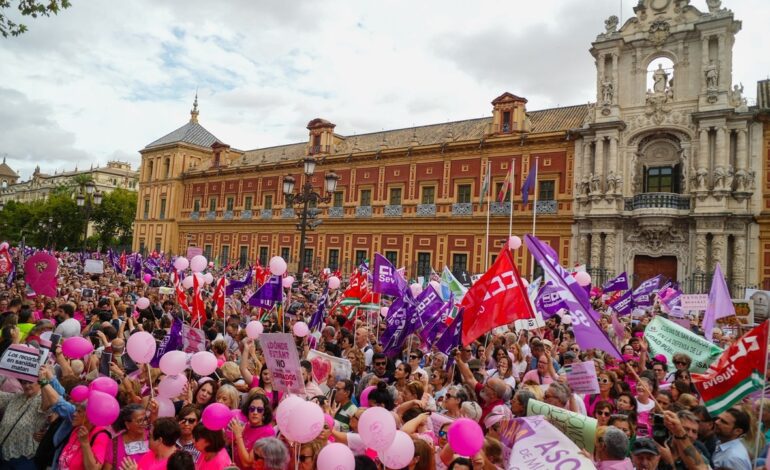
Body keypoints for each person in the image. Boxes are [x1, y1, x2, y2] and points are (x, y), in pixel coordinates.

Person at [230, 391, 276, 469]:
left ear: (264, 413)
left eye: (259, 410)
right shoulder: (246, 425)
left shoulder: (268, 432)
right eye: (252, 409)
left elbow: (247, 463)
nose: (255, 412)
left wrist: (238, 435)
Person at [104, 404, 150, 469]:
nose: (144, 423)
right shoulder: (114, 444)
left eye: (145, 419)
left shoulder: (152, 437)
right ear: (127, 424)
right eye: (139, 421)